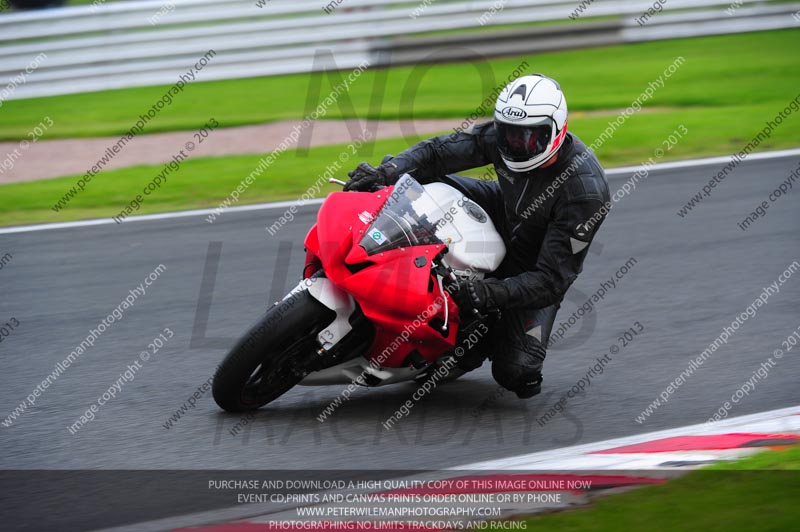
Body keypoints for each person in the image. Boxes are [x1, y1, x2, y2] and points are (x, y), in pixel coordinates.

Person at [343, 74, 610, 398]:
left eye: (529, 138)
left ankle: (472, 341)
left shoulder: (585, 194)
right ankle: (379, 257)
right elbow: (438, 153)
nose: (515, 144)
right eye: (509, 133)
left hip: (535, 265)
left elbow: (551, 281)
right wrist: (386, 171)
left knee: (517, 371)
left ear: (557, 130)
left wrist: (487, 295)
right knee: (417, 182)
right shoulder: (502, 137)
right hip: (503, 210)